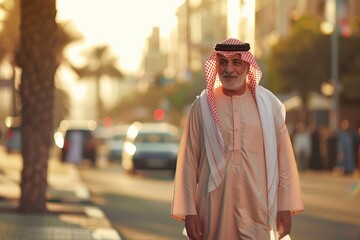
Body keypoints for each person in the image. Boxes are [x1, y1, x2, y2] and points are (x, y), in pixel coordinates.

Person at [171, 38, 304, 240]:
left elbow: (284, 160)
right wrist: (189, 212)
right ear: (215, 66)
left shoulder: (268, 105)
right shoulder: (202, 107)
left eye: (236, 62)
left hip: (258, 208)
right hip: (213, 210)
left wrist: (285, 207)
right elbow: (188, 163)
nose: (229, 69)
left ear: (247, 65)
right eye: (223, 62)